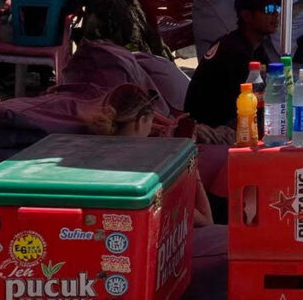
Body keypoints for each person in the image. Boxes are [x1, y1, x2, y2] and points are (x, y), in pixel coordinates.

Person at [82, 83, 213, 227]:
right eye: (151, 122)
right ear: (140, 121)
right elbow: (206, 221)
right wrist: (190, 159)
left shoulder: (87, 152)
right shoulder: (152, 171)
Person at [184, 0, 280, 129]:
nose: (276, 14)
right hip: (209, 130)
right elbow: (245, 107)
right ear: (247, 16)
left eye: (277, 8)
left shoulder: (253, 45)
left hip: (226, 122)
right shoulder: (233, 52)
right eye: (269, 9)